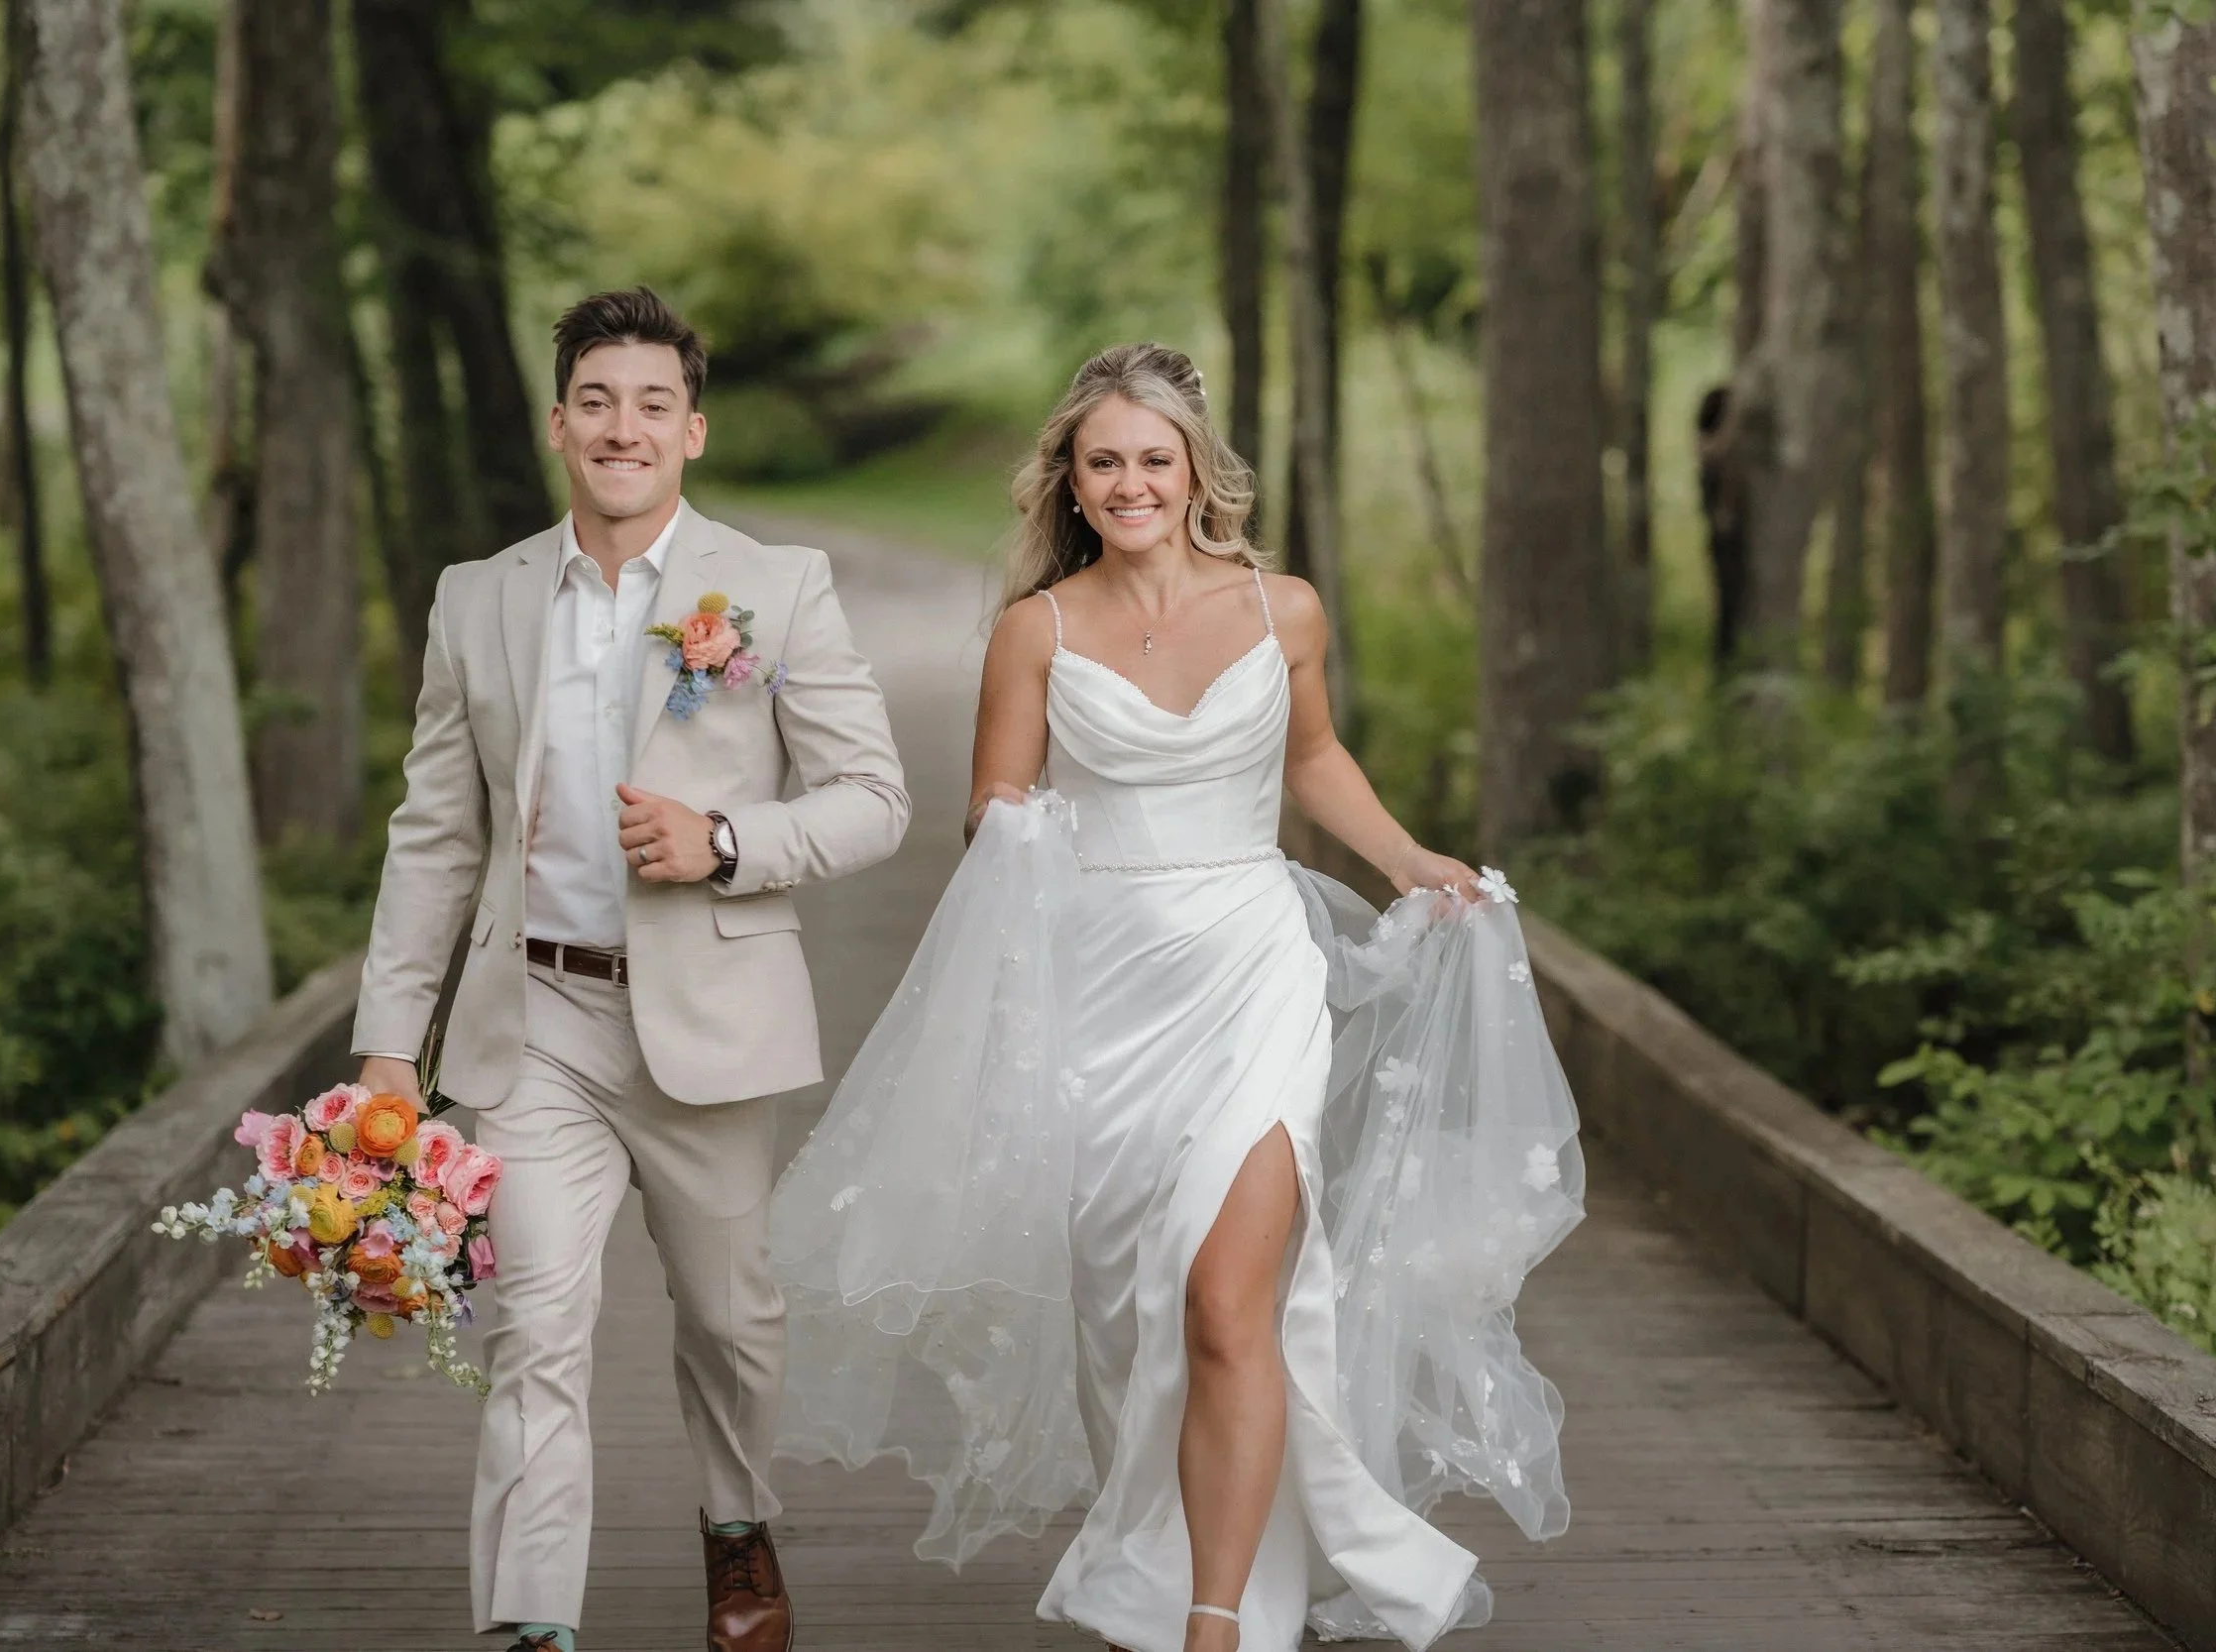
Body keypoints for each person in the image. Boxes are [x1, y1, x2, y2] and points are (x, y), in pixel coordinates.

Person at [771, 343, 1583, 1651]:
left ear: (1197, 470)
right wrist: (1019, 833)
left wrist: (1413, 862)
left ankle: (1213, 1623)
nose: (1133, 482)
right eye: (1107, 462)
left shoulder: (1285, 611)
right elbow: (995, 807)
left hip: (1253, 967)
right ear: (1073, 484)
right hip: (1101, 993)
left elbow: (1311, 755)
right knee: (1135, 1314)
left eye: (1156, 458)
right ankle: (1172, 1556)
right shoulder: (1035, 630)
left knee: (1225, 1297)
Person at [351, 285, 908, 1652]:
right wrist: (386, 1040)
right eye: (596, 400)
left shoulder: (776, 589)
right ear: (558, 423)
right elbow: (434, 831)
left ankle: (734, 1518)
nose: (623, 426)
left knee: (733, 1321)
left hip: (708, 1022)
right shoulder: (475, 600)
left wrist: (724, 838)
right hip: (532, 1021)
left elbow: (875, 797)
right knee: (534, 1328)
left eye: (652, 403)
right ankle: (531, 1621)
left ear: (693, 429)